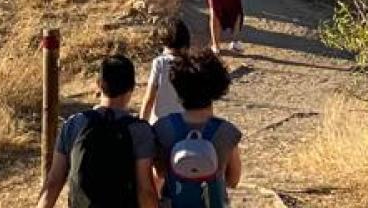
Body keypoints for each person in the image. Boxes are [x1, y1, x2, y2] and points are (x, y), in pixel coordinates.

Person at [36, 55, 157, 208]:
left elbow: (53, 182)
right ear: (132, 87)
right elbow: (145, 190)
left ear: (99, 84)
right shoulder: (140, 131)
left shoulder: (74, 124)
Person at [153, 51, 243, 208]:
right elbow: (233, 180)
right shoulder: (227, 132)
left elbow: (159, 173)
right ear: (217, 88)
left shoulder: (162, 128)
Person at [138, 18, 191, 125]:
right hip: (184, 124)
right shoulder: (192, 64)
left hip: (160, 123)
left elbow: (149, 98)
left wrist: (142, 125)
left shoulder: (160, 63)